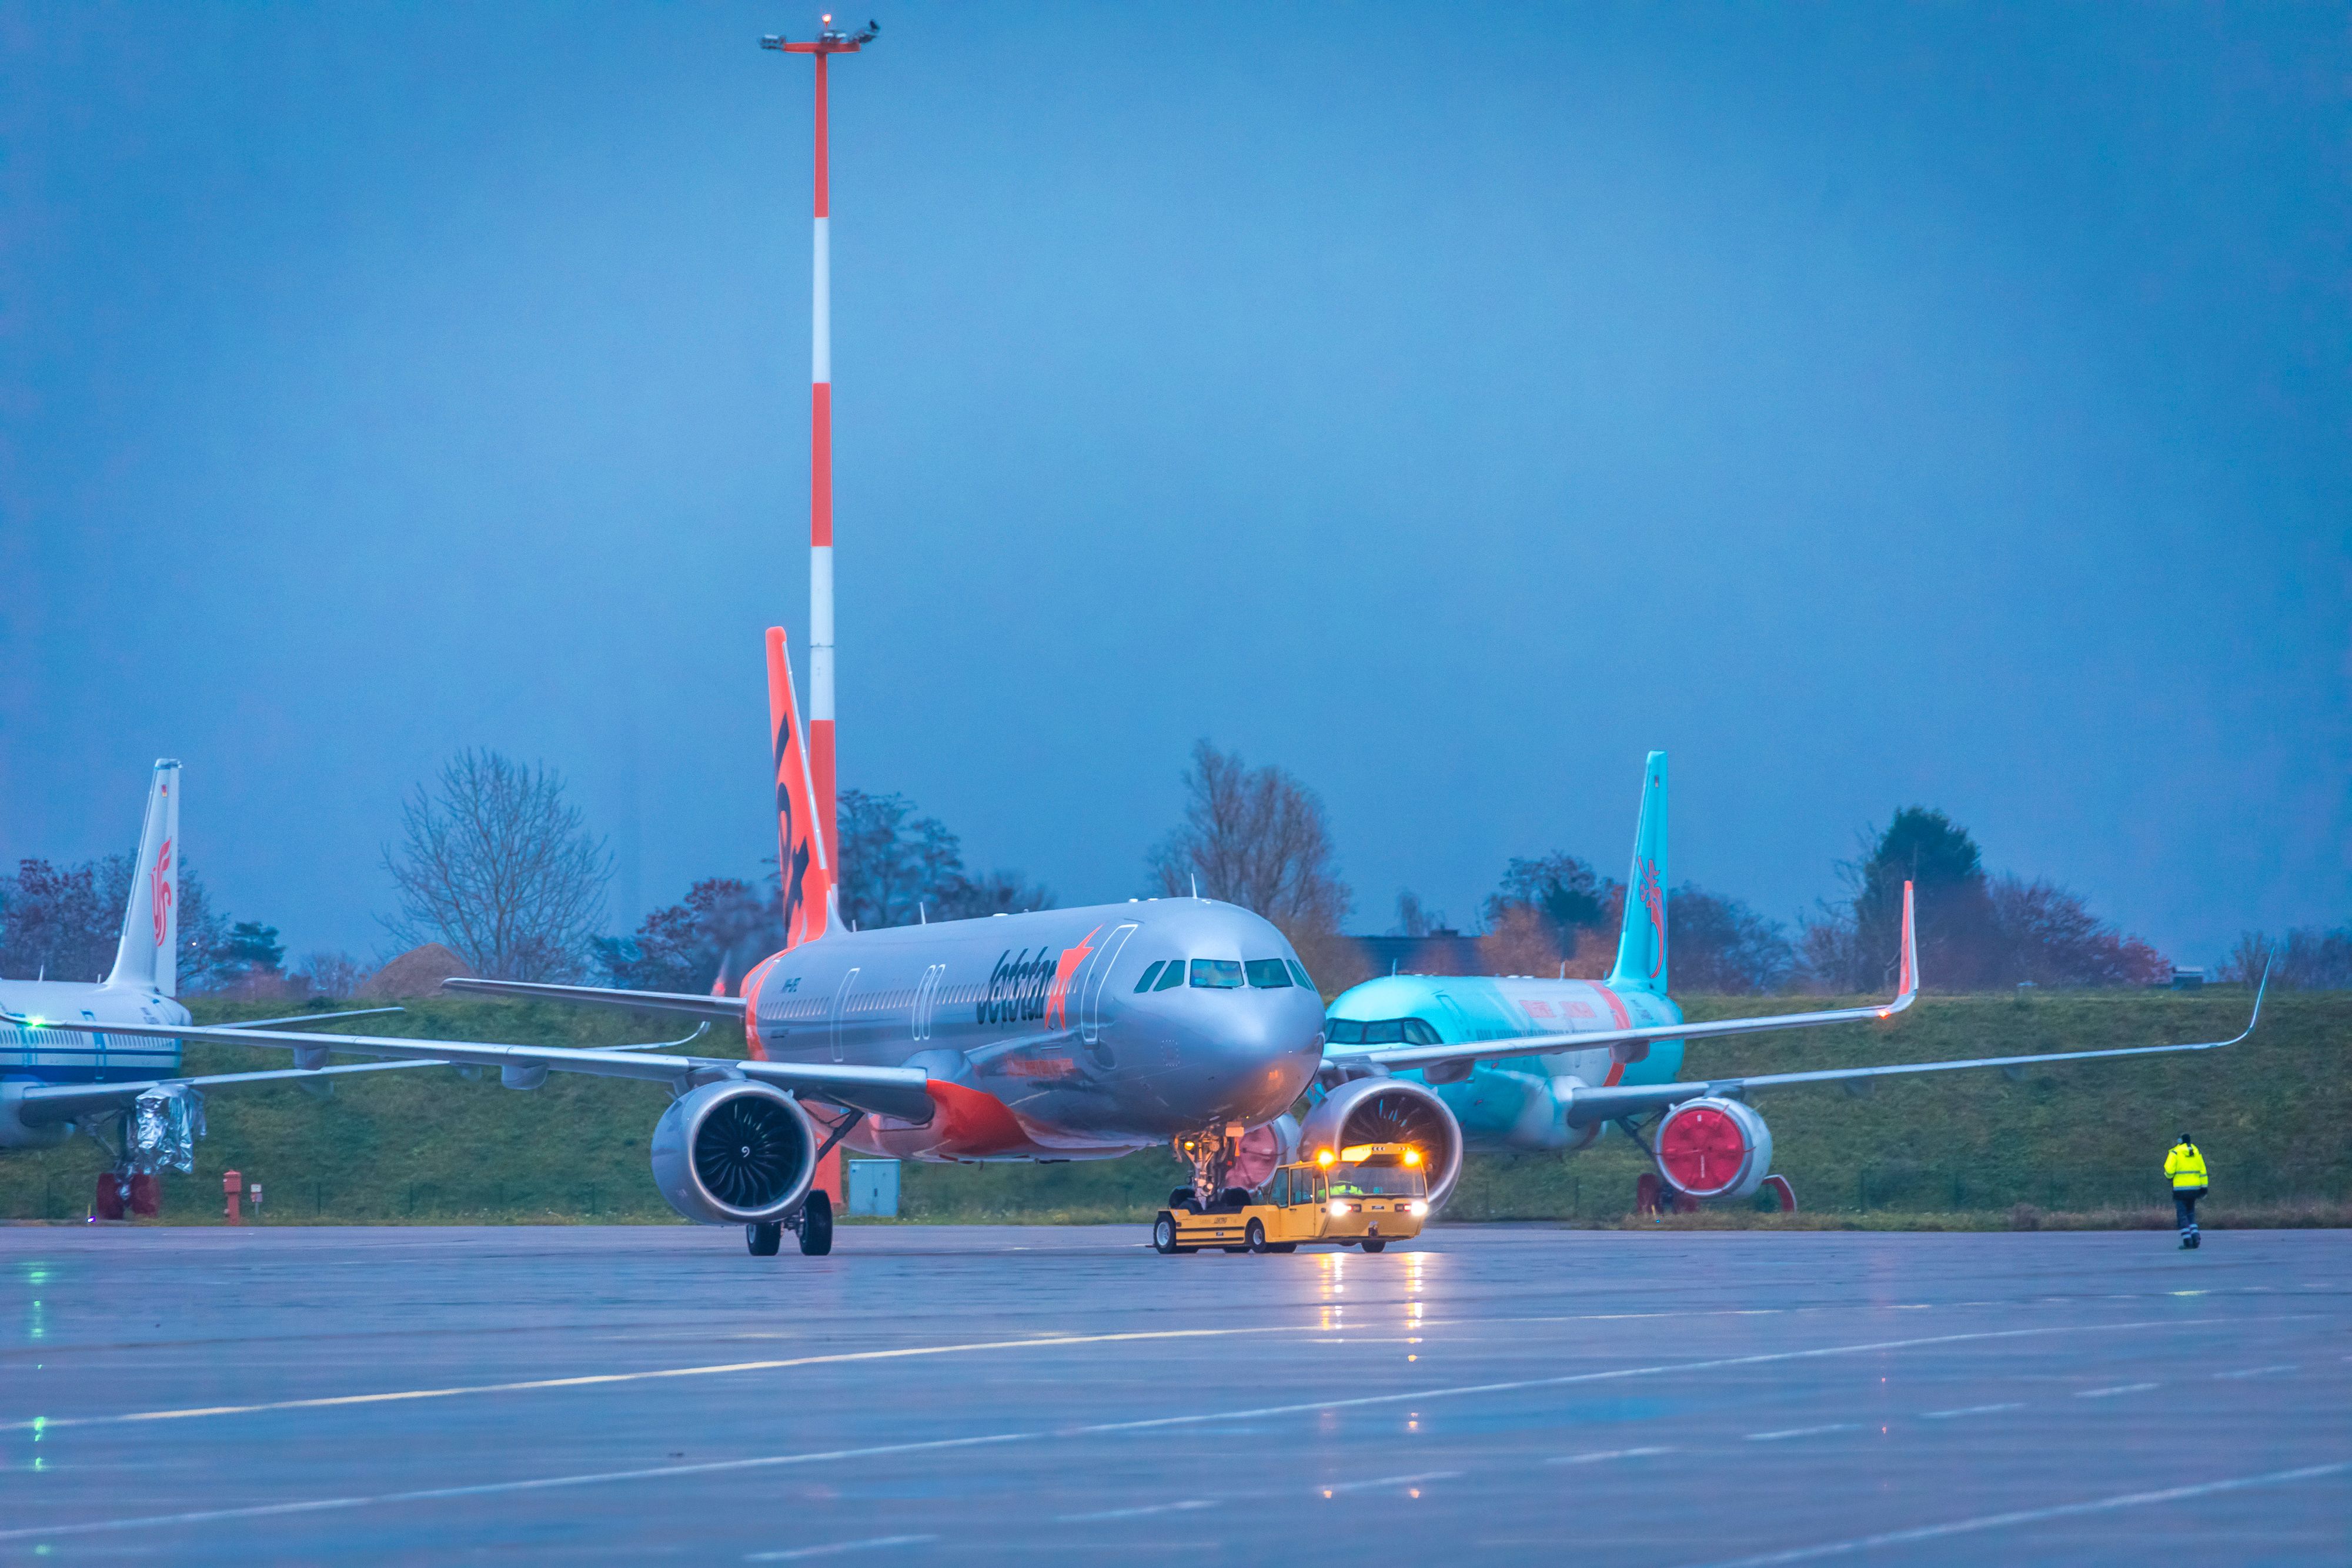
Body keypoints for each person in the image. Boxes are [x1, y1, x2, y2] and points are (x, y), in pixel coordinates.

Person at [2164, 1132, 2209, 1249]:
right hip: (2194, 1189)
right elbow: (2203, 1171)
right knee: (2191, 1213)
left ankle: (2187, 1240)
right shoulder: (2196, 1152)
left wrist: (2169, 1177)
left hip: (2180, 1190)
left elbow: (2169, 1171)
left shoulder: (2175, 1152)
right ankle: (2195, 1237)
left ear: (2180, 1141)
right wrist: (2204, 1188)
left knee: (2182, 1215)